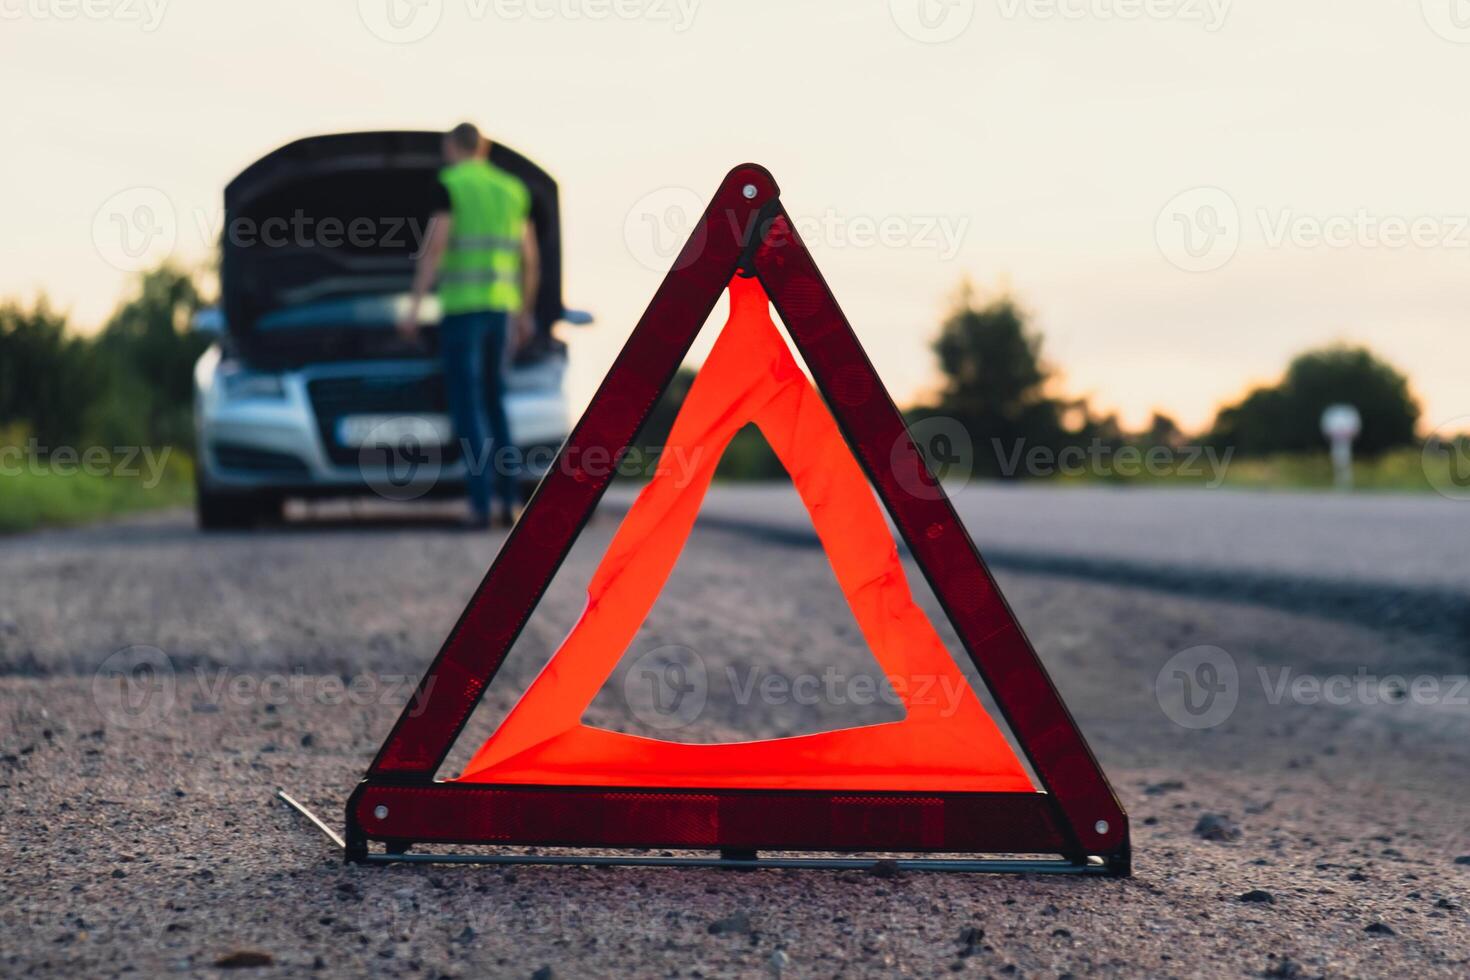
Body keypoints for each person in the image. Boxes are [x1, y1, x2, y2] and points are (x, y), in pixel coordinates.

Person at [399, 122, 538, 528]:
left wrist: (414, 306)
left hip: (462, 312)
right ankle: (509, 501)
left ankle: (480, 504)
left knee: (469, 406)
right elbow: (530, 259)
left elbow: (436, 246)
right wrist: (526, 312)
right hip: (501, 311)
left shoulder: (451, 183)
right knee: (497, 404)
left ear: (450, 146)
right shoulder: (513, 189)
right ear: (485, 147)